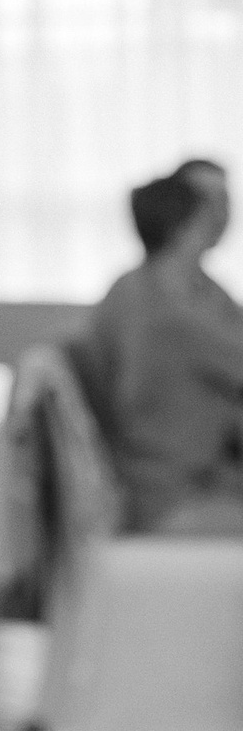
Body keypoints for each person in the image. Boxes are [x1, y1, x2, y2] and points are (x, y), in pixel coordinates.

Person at [73, 159, 243, 534]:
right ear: (181, 217)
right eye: (208, 202)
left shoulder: (200, 290)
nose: (223, 214)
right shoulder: (165, 302)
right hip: (173, 493)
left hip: (205, 478)